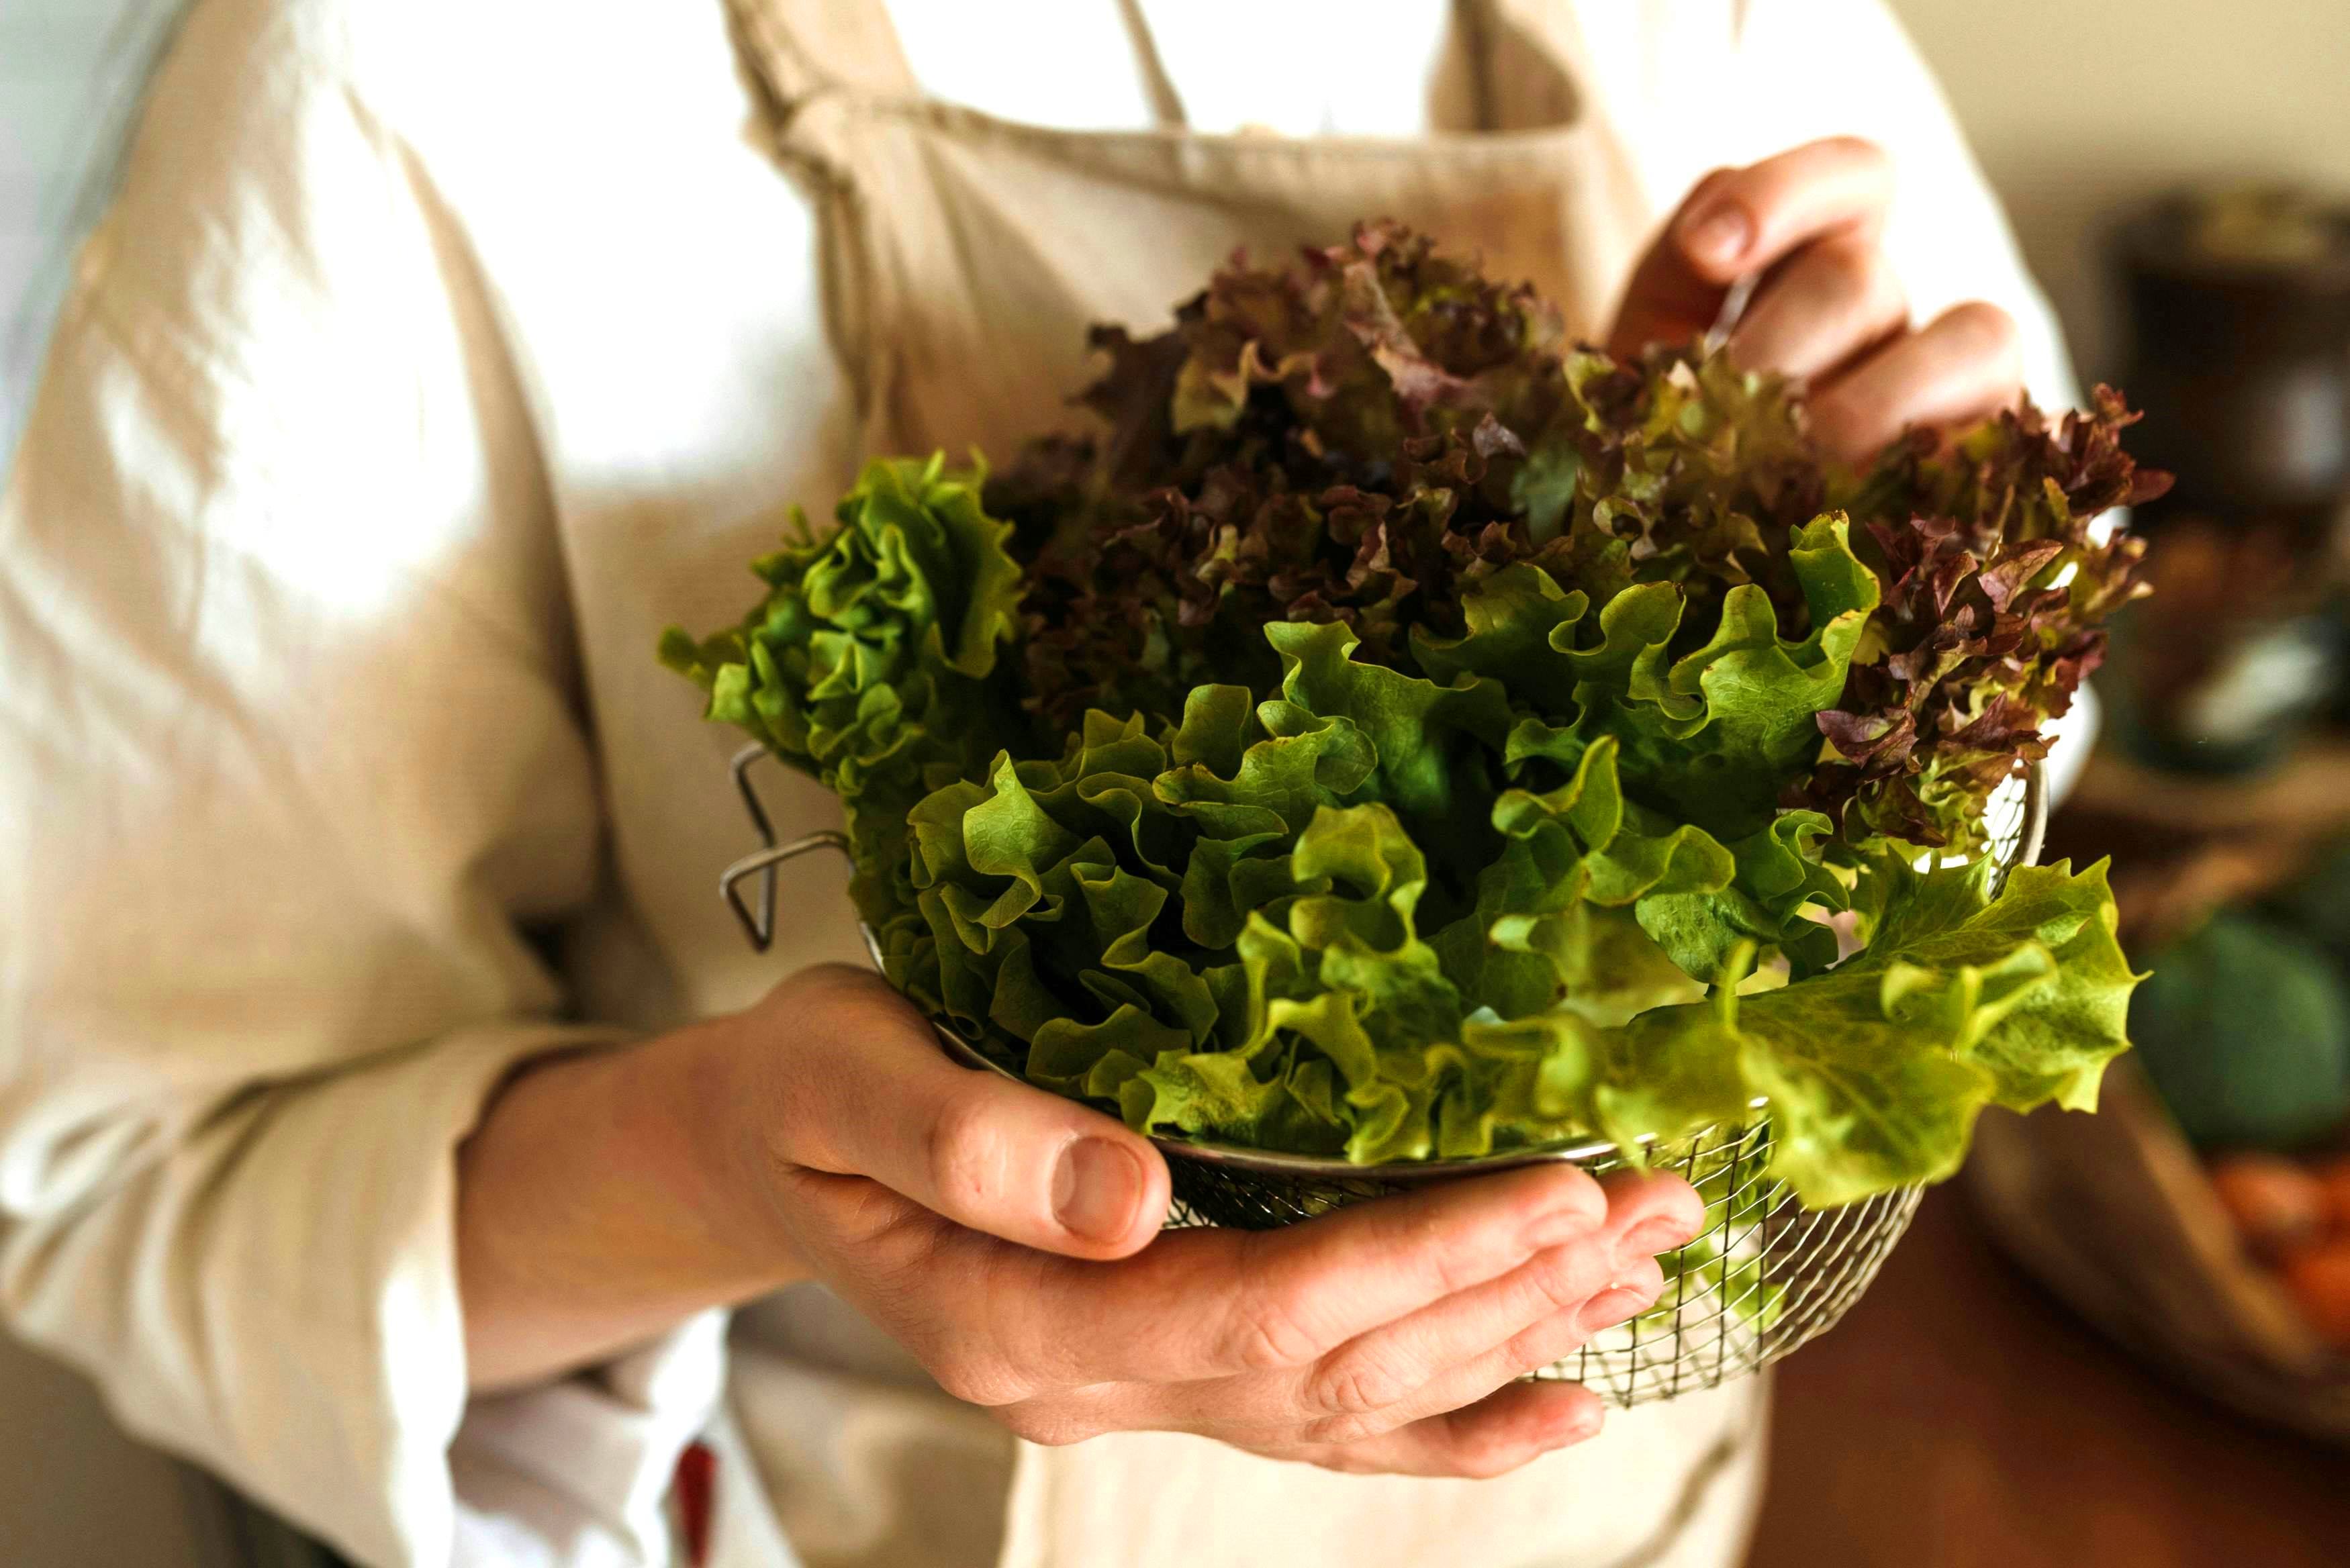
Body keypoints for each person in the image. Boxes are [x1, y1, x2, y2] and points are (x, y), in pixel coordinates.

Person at [0, 3, 2073, 1565]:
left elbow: (2027, 732)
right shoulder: (409, 71)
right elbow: (141, 1176)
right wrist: (729, 1166)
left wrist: (1847, 548)